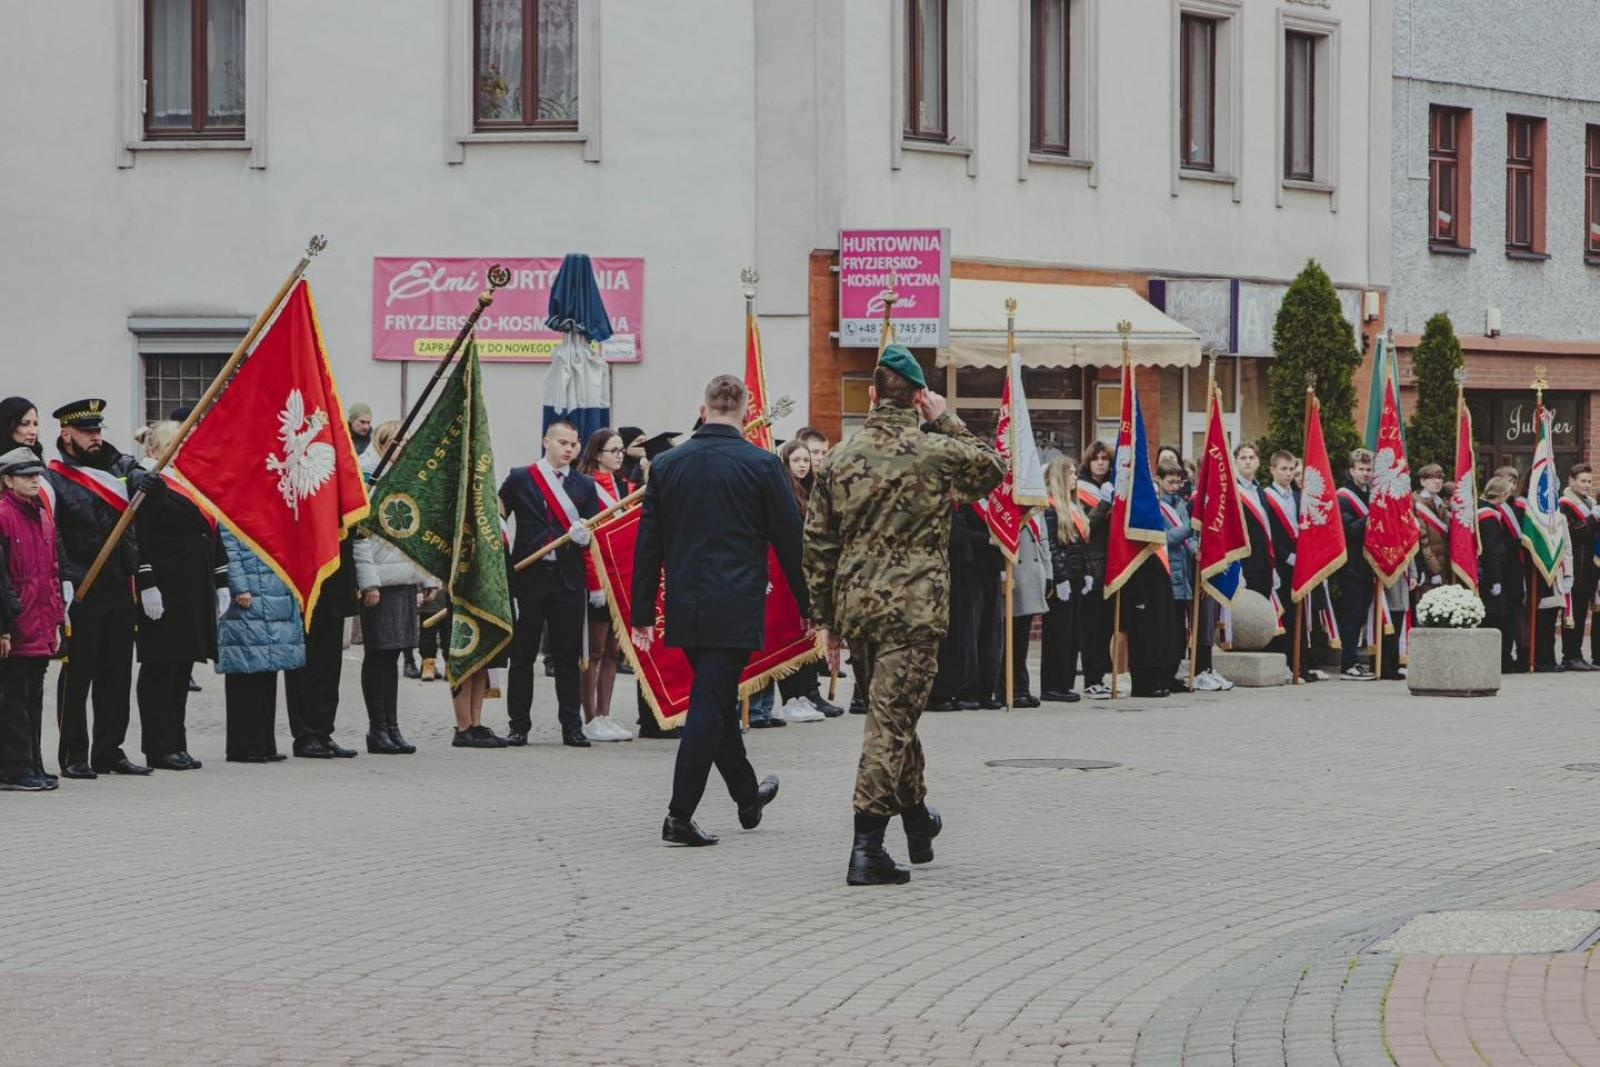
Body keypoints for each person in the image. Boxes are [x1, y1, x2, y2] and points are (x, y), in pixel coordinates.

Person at [805, 346, 1004, 886]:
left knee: (894, 716)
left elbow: (818, 544)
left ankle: (916, 819)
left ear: (872, 395)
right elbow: (993, 469)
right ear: (918, 398)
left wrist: (825, 620)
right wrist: (945, 418)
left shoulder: (839, 458)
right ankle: (866, 847)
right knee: (890, 723)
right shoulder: (935, 450)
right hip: (914, 611)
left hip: (858, 609)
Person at [631, 374, 801, 847]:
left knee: (718, 702)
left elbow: (649, 544)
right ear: (745, 411)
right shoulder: (762, 464)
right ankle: (679, 815)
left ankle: (747, 796)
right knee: (708, 705)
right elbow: (791, 542)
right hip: (736, 604)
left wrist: (642, 611)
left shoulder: (667, 464)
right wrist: (812, 606)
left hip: (685, 603)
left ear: (704, 410)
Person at [48, 398, 164, 779]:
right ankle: (74, 753)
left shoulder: (118, 465)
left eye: (97, 430)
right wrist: (66, 582)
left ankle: (109, 750)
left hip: (117, 582)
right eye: (86, 431)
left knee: (116, 672)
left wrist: (149, 483)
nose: (95, 437)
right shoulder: (54, 477)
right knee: (78, 673)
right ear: (66, 434)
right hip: (83, 585)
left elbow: (146, 493)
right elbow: (55, 537)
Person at [131, 421, 227, 771]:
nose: (182, 449)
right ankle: (158, 747)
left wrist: (221, 580)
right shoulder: (148, 482)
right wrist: (147, 583)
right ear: (154, 449)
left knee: (181, 667)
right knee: (161, 668)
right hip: (164, 587)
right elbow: (139, 536)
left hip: (191, 589)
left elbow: (211, 531)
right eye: (175, 443)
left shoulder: (190, 482)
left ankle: (176, 741)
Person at [501, 419, 601, 748]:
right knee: (523, 655)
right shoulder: (521, 477)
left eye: (574, 444)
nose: (569, 449)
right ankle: (518, 725)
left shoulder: (585, 486)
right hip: (529, 576)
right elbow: (498, 515)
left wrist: (585, 537)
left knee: (567, 657)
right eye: (563, 443)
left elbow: (594, 532)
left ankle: (571, 726)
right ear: (547, 442)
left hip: (567, 579)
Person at [355, 422, 442, 753]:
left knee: (392, 655)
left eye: (406, 442)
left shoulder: (407, 476)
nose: (403, 447)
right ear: (382, 442)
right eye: (396, 441)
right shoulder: (368, 476)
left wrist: (427, 577)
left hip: (404, 577)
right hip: (380, 579)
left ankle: (391, 726)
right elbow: (360, 538)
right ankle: (377, 728)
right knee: (378, 654)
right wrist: (368, 582)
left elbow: (417, 531)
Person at [0, 447, 64, 791]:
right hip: (16, 623)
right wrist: (4, 628)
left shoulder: (42, 516)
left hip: (39, 622)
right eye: (25, 476)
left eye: (36, 474)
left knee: (33, 699)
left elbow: (51, 573)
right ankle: (14, 769)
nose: (34, 481)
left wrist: (56, 621)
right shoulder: (3, 515)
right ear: (8, 481)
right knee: (13, 701)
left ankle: (33, 763)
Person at [216, 528, 302, 763]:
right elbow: (229, 548)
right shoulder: (232, 511)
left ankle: (265, 743)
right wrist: (239, 586)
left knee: (267, 668)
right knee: (245, 669)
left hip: (271, 589)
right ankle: (244, 746)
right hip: (247, 594)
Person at [577, 427, 634, 741]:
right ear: (598, 454)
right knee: (594, 651)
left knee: (614, 651)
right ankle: (590, 717)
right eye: (614, 450)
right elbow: (589, 540)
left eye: (622, 450)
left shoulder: (622, 485)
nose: (620, 455)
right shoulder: (587, 486)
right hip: (597, 580)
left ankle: (605, 713)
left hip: (620, 579)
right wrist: (595, 584)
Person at [775, 440, 836, 721]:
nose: (802, 465)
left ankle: (809, 693)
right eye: (796, 460)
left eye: (805, 460)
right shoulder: (783, 492)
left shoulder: (813, 490)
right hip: (791, 572)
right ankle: (792, 696)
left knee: (811, 634)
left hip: (813, 570)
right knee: (793, 632)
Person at [1039, 456, 1086, 703]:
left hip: (1076, 578)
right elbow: (1052, 547)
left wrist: (1087, 573)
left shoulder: (1074, 507)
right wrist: (1060, 577)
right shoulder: (1050, 508)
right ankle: (1052, 685)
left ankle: (1065, 682)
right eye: (1071, 473)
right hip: (1061, 581)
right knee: (1058, 634)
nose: (1075, 477)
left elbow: (1082, 546)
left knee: (1072, 634)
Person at [1263, 450, 1313, 682]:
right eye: (1283, 469)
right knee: (1280, 615)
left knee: (1297, 615)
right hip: (1278, 564)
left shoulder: (1299, 496)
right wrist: (1287, 556)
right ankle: (1281, 664)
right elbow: (1269, 534)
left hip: (1299, 564)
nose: (1288, 473)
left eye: (1291, 469)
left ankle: (1299, 665)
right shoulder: (1266, 497)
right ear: (1272, 470)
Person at [998, 517, 1049, 708]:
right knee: (1008, 639)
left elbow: (1044, 542)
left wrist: (1048, 573)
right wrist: (1002, 572)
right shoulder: (1007, 508)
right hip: (1015, 574)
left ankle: (1021, 687)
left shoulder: (1037, 511)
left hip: (1032, 574)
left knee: (1021, 639)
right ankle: (1006, 689)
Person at [1079, 441, 1115, 698]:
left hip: (1112, 566)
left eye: (1104, 459)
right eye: (1096, 459)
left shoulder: (1113, 486)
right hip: (1091, 568)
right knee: (1090, 629)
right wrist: (1103, 503)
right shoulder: (1081, 489)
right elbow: (1085, 526)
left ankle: (1101, 676)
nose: (1100, 463)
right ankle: (1091, 678)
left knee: (1105, 628)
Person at [1336, 449, 1376, 680]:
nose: (1365, 474)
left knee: (1361, 615)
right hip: (1351, 566)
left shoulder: (1371, 494)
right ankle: (1347, 664)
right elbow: (1349, 530)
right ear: (1351, 470)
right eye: (1361, 469)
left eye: (1368, 469)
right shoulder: (1344, 497)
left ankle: (1355, 661)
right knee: (1351, 616)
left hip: (1369, 565)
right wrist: (1372, 517)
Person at [1158, 462, 1197, 692]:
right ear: (1159, 480)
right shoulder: (1157, 506)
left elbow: (1188, 539)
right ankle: (1162, 674)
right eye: (1170, 482)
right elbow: (1167, 537)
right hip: (1168, 574)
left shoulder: (1181, 504)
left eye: (1177, 482)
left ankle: (1173, 674)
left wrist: (1196, 550)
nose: (1174, 486)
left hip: (1184, 573)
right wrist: (1190, 527)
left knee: (1180, 632)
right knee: (1168, 631)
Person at [1479, 476, 1521, 670]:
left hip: (1490, 573)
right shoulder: (1488, 517)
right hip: (1492, 575)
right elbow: (1492, 550)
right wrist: (1495, 580)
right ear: (1502, 494)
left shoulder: (1484, 509)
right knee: (1497, 618)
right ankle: (1498, 661)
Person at [1560, 463, 1598, 671]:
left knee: (1583, 612)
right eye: (1583, 481)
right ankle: (1569, 655)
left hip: (1589, 567)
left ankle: (1578, 654)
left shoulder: (1590, 503)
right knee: (1572, 613)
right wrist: (1593, 518)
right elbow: (1574, 532)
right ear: (1572, 481)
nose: (1587, 485)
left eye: (1589, 481)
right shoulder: (1565, 504)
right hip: (1574, 566)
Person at [1414, 464, 1450, 591]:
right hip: (1427, 569)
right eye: (1433, 478)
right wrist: (1434, 570)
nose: (1438, 481)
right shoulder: (1417, 504)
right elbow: (1423, 542)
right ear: (1422, 481)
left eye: (1440, 478)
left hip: (1443, 566)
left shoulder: (1440, 504)